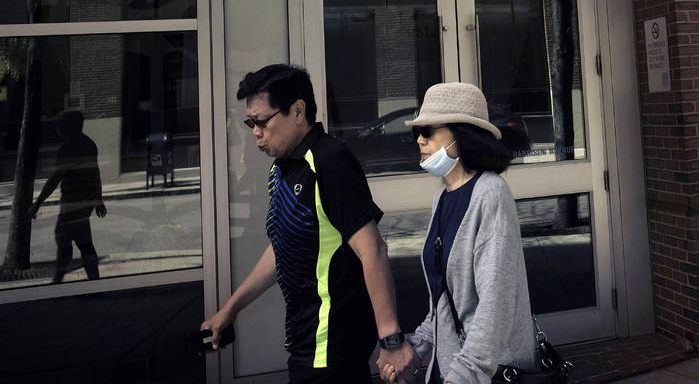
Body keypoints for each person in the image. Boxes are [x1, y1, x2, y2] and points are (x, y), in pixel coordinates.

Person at [200, 64, 416, 384]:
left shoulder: (330, 160)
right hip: (305, 342)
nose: (256, 132)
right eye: (250, 123)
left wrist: (391, 342)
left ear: (298, 110)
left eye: (261, 121)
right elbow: (283, 248)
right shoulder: (283, 169)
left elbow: (373, 251)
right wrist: (230, 309)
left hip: (333, 347)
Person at [384, 82, 534, 384]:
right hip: (449, 368)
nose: (419, 140)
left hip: (484, 372)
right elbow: (443, 300)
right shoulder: (443, 196)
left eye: (427, 131)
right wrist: (415, 349)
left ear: (461, 135)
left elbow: (495, 306)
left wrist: (463, 376)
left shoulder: (490, 193)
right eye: (416, 133)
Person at [29, 109, 106, 283]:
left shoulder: (67, 148)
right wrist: (98, 199)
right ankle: (94, 284)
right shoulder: (89, 144)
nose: (57, 128)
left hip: (72, 203)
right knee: (84, 242)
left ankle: (58, 284)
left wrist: (37, 203)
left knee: (63, 238)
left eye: (60, 124)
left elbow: (54, 179)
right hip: (85, 203)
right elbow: (96, 173)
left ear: (69, 126)